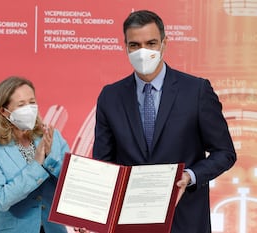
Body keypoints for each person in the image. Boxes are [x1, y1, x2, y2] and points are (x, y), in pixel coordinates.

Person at [91, 10, 236, 233]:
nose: (143, 52)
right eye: (135, 45)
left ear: (164, 43)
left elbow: (224, 152)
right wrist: (88, 214)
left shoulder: (196, 91)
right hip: (130, 222)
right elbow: (103, 164)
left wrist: (190, 176)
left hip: (185, 221)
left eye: (151, 43)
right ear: (125, 46)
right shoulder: (110, 97)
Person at [0, 76, 69, 233]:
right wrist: (37, 164)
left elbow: (70, 182)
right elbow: (1, 200)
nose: (29, 108)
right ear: (3, 111)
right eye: (21, 104)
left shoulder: (53, 137)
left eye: (32, 102)